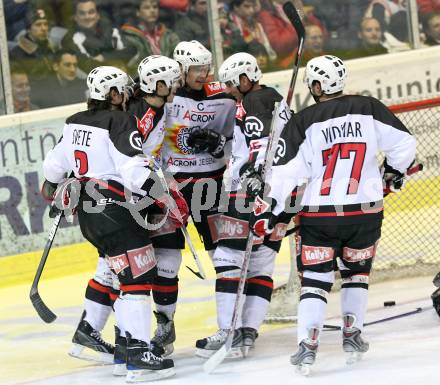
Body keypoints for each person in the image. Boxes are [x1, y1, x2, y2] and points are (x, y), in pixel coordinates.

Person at [252, 55, 416, 373]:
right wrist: (393, 173)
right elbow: (404, 145)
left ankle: (308, 344)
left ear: (316, 85)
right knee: (356, 275)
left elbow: (286, 174)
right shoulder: (368, 107)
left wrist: (271, 211)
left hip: (319, 215)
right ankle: (352, 335)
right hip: (365, 212)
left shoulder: (304, 120)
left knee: (315, 280)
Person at [41, 65, 187, 381]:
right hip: (116, 210)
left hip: (89, 216)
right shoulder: (121, 121)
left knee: (124, 274)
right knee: (138, 277)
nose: (126, 97)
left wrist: (55, 186)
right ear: (113, 94)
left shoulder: (73, 122)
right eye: (122, 91)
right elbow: (134, 172)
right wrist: (164, 195)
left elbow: (53, 169)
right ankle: (137, 354)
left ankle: (123, 351)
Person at [194, 52, 294, 358]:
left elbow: (261, 144)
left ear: (245, 78)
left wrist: (251, 175)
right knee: (261, 265)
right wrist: (219, 144)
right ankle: (248, 332)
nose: (229, 91)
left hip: (249, 192)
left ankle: (229, 332)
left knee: (227, 258)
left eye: (231, 84)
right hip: (283, 194)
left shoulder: (254, 102)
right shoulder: (274, 100)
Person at [148, 40, 236, 356]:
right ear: (182, 69)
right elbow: (147, 141)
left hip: (210, 188)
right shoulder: (165, 99)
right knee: (167, 261)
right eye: (196, 68)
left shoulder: (223, 97)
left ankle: (231, 326)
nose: (203, 74)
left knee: (223, 257)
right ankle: (164, 327)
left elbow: (234, 142)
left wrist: (219, 147)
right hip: (172, 192)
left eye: (206, 67)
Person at [61, 0, 135, 73]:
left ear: (97, 15)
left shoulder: (110, 28)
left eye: (91, 12)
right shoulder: (69, 39)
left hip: (123, 71)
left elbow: (130, 49)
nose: (87, 17)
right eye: (82, 13)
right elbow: (87, 65)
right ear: (75, 17)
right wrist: (115, 63)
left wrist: (103, 57)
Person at [122, 0, 180, 74]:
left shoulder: (169, 35)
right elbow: (131, 66)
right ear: (138, 12)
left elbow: (178, 59)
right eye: (147, 8)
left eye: (155, 7)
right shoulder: (129, 36)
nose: (152, 11)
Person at [9, 8, 55, 90]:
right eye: (38, 25)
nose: (44, 28)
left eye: (46, 24)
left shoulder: (51, 47)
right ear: (28, 29)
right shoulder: (16, 54)